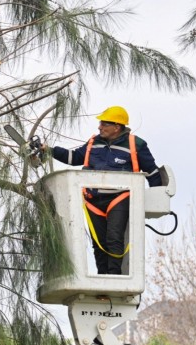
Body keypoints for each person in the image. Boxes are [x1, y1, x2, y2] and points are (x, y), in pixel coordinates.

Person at [42, 106, 160, 275]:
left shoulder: (136, 144)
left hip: (119, 198)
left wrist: (158, 197)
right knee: (98, 243)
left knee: (114, 237)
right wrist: (49, 150)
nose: (100, 127)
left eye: (104, 123)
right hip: (92, 199)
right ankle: (103, 276)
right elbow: (74, 158)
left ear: (117, 127)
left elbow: (153, 171)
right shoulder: (94, 142)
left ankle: (114, 276)